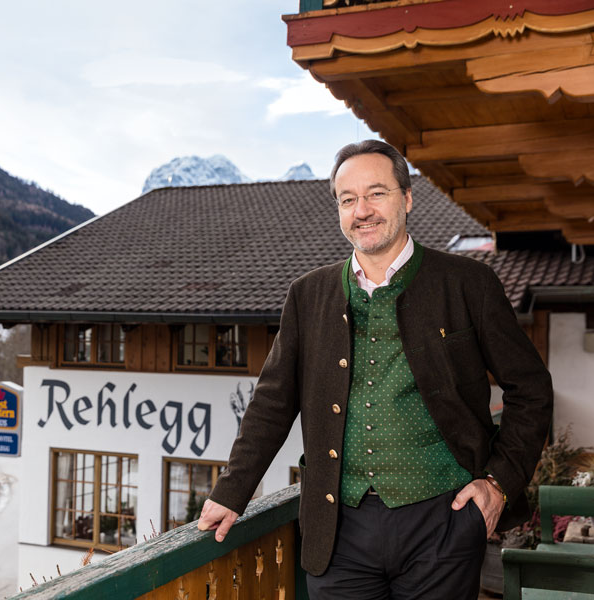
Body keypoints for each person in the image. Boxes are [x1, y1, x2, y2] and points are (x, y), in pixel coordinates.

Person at [197, 140, 553, 599]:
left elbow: (532, 390)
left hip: (443, 521)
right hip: (339, 531)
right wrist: (231, 492)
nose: (361, 210)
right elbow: (271, 403)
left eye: (376, 193)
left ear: (407, 199)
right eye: (348, 199)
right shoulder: (308, 295)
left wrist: (498, 482)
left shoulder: (468, 284)